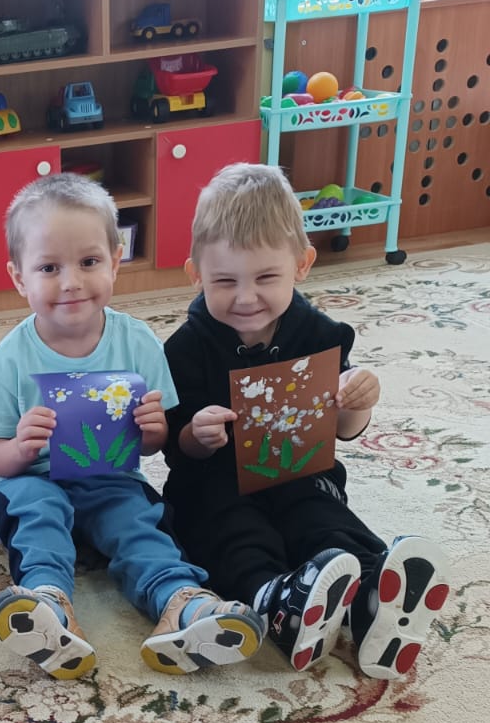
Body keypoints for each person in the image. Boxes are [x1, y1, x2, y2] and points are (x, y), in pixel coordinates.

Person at [0, 173, 264, 679]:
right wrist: (19, 448)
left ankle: (182, 602)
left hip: (110, 479)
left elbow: (152, 444)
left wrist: (152, 429)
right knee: (38, 515)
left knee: (139, 521)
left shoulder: (138, 342)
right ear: (18, 278)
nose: (71, 282)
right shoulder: (10, 357)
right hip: (32, 481)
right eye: (49, 268)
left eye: (88, 262)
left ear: (115, 261)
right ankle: (47, 604)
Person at [163, 161, 449, 678]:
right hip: (214, 482)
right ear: (195, 274)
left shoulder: (320, 334)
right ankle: (275, 601)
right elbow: (174, 446)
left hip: (299, 469)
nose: (245, 297)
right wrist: (195, 434)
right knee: (233, 532)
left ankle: (373, 600)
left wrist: (357, 400)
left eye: (266, 277)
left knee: (324, 518)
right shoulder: (185, 347)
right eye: (224, 281)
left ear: (302, 264)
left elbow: (344, 430)